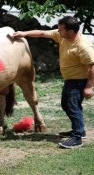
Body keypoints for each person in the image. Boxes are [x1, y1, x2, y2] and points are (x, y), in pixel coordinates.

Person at [13, 16, 94, 149]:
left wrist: (89, 87)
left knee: (73, 107)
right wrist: (24, 34)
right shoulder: (63, 36)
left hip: (79, 81)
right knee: (66, 105)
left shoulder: (83, 47)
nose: (58, 31)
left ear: (71, 32)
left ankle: (77, 137)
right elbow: (43, 33)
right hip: (70, 80)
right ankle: (79, 129)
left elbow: (92, 67)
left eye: (61, 29)